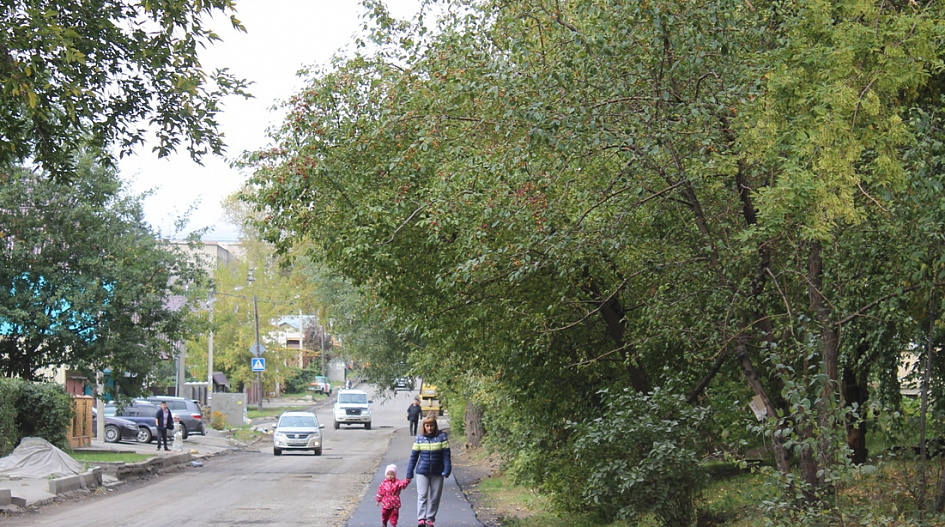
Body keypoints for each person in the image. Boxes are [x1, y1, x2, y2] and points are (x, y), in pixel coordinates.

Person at [406, 415, 451, 527]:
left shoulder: (442, 437)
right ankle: (421, 519)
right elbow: (413, 457)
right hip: (422, 471)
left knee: (435, 497)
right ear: (424, 426)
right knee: (422, 495)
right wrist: (409, 472)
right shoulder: (420, 439)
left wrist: (447, 469)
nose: (429, 428)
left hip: (437, 472)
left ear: (435, 426)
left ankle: (430, 519)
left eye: (431, 426)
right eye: (427, 426)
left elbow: (446, 456)